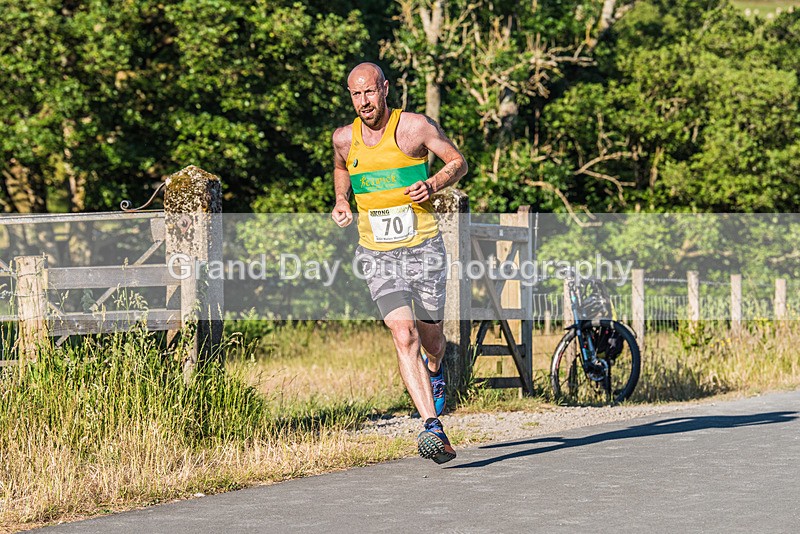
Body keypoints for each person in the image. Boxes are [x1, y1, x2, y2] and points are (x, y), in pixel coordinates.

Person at [331, 62, 467, 464]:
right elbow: (341, 168)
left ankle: (436, 367)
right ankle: (432, 427)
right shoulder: (343, 138)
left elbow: (458, 161)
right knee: (402, 332)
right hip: (377, 253)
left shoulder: (415, 128)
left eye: (370, 92)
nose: (364, 102)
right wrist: (342, 200)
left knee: (431, 339)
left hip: (424, 249)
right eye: (356, 95)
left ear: (385, 89)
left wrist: (433, 184)